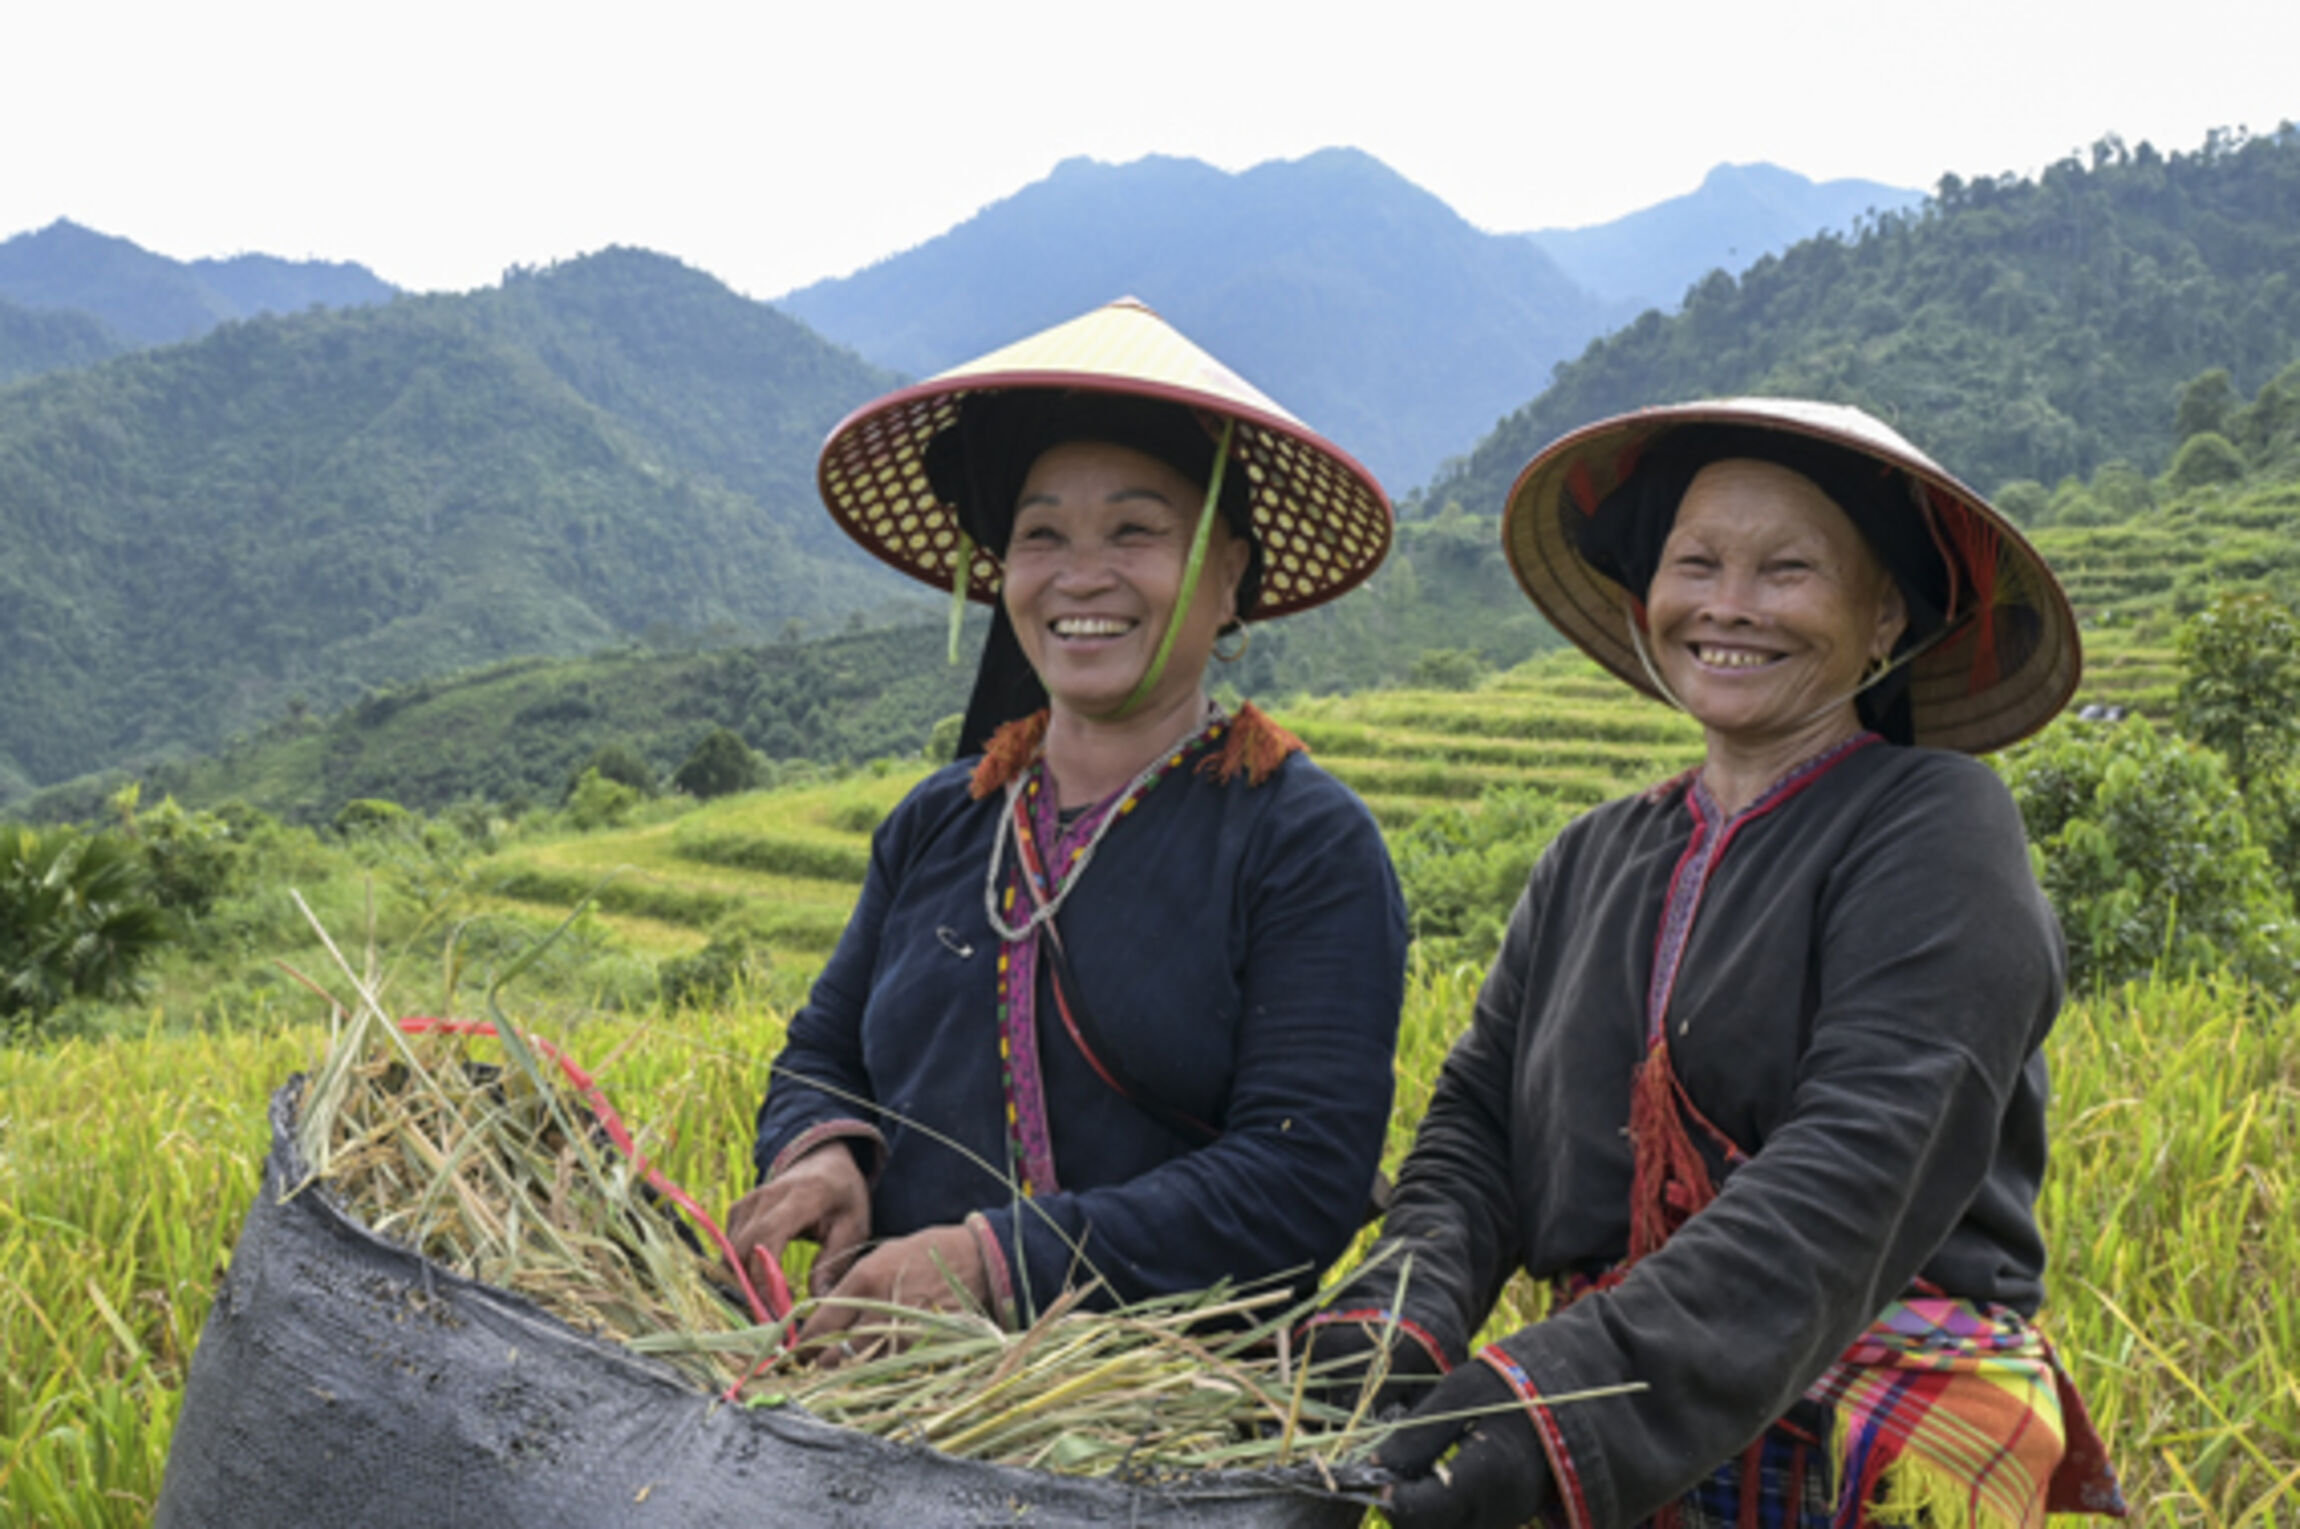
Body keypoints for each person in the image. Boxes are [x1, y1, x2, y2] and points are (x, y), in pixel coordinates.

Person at [1308, 400, 2128, 1528]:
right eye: (1694, 563)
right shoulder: (1588, 856)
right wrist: (1395, 1315)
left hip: (1865, 1447)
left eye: (1785, 570)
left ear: (1883, 613)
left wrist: (1560, 1395)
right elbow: (1477, 1132)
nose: (1727, 604)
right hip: (1612, 1411)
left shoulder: (1936, 824)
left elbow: (1856, 1161)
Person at [728, 298, 1410, 1351]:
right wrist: (823, 1155)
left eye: (1134, 530)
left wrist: (991, 1262)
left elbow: (1297, 1177)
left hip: (1151, 1420)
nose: (1079, 574)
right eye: (1041, 534)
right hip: (875, 1381)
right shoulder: (938, 821)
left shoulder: (1297, 839)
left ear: (1228, 572)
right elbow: (824, 1049)